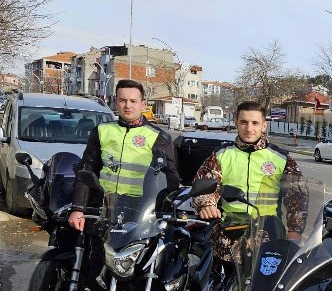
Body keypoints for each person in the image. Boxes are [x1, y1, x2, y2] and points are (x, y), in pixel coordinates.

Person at [192, 101, 308, 259]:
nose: (249, 128)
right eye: (244, 122)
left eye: (255, 123)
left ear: (264, 125)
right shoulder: (221, 154)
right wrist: (206, 204)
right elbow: (203, 183)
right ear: (236, 123)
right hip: (229, 234)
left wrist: (294, 233)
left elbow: (298, 198)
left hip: (267, 235)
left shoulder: (281, 158)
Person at [69, 78, 179, 227]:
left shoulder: (158, 136)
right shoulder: (102, 131)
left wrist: (160, 211)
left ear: (142, 104)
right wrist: (78, 208)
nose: (127, 105)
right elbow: (87, 170)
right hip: (102, 205)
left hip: (139, 208)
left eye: (133, 101)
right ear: (116, 102)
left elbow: (170, 177)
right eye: (122, 100)